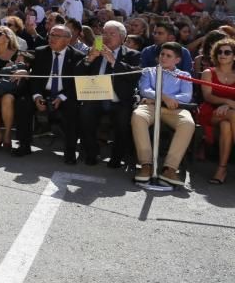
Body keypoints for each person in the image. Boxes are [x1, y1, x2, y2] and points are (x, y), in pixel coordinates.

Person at [12, 24, 85, 162]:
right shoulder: (41, 52)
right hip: (42, 92)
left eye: (57, 36)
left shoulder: (77, 56)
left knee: (72, 109)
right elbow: (35, 79)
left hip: (64, 94)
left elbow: (77, 83)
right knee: (23, 103)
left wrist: (62, 97)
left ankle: (70, 152)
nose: (52, 38)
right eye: (51, 34)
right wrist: (37, 96)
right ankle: (24, 145)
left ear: (67, 40)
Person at [79, 20, 141, 168]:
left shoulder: (133, 54)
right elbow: (77, 73)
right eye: (104, 33)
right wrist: (89, 59)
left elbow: (134, 75)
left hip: (118, 99)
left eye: (111, 34)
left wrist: (113, 61)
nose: (106, 37)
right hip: (95, 95)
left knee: (122, 121)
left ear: (122, 38)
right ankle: (92, 153)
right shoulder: (94, 50)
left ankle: (116, 157)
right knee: (85, 114)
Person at [131, 42, 194, 185]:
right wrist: (164, 97)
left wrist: (159, 99)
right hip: (151, 107)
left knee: (187, 123)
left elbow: (186, 96)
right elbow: (144, 90)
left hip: (173, 109)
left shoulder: (184, 75)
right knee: (138, 116)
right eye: (162, 54)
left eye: (168, 56)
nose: (163, 58)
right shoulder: (149, 71)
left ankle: (170, 169)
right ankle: (146, 165)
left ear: (177, 60)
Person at [200, 37, 235, 184]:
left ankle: (221, 169)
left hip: (230, 113)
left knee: (226, 125)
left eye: (227, 52)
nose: (222, 54)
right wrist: (226, 101)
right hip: (210, 111)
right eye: (219, 52)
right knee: (233, 114)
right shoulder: (208, 72)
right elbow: (207, 96)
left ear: (234, 56)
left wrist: (229, 105)